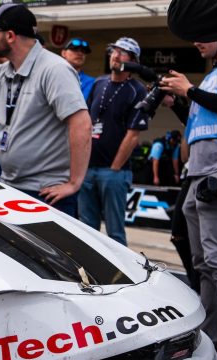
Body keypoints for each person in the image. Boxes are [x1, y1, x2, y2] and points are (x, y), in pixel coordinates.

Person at [0, 3, 89, 216]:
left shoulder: (54, 69)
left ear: (10, 36)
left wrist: (74, 182)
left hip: (46, 193)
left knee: (45, 251)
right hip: (9, 187)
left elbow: (81, 123)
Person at [160, 39, 217, 360]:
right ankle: (211, 335)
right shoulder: (213, 71)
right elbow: (203, 118)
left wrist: (189, 89)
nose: (196, 41)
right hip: (196, 172)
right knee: (202, 262)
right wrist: (179, 101)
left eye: (204, 35)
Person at [77, 37, 150, 246]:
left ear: (133, 60)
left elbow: (133, 134)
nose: (115, 55)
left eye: (123, 52)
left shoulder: (137, 90)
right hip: (88, 168)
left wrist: (114, 168)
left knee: (115, 233)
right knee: (86, 230)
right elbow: (86, 122)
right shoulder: (99, 83)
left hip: (114, 172)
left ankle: (122, 278)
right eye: (114, 50)